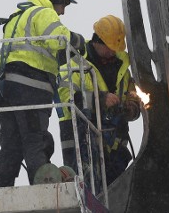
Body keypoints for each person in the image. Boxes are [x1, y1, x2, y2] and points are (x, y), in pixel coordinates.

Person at [0, 0, 81, 187]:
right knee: (35, 140)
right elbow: (60, 40)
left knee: (11, 144)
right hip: (29, 87)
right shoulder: (44, 13)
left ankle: (4, 188)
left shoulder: (17, 15)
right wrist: (79, 42)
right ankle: (43, 187)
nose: (63, 11)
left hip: (6, 89)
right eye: (64, 4)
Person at [57, 14, 141, 188]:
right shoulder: (75, 62)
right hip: (82, 138)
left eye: (115, 48)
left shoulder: (122, 67)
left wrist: (131, 107)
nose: (112, 51)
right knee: (88, 187)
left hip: (114, 145)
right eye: (109, 47)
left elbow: (132, 94)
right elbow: (67, 99)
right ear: (98, 41)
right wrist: (99, 99)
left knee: (112, 192)